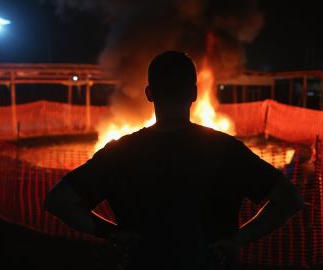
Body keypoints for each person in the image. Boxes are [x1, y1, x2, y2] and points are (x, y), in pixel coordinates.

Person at [44, 51, 304, 270]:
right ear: (193, 93)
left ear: (149, 93)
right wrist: (241, 238)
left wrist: (111, 234)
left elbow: (59, 200)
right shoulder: (226, 150)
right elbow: (289, 199)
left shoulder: (118, 152)